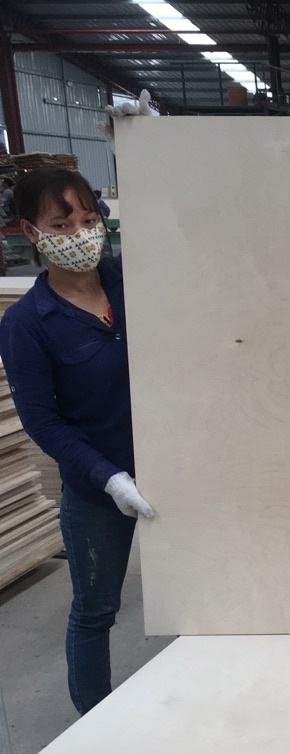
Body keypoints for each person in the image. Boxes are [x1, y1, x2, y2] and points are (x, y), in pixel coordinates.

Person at [0, 168, 154, 715]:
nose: (80, 234)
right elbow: (43, 421)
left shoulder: (130, 279)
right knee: (95, 610)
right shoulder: (28, 323)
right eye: (62, 224)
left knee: (198, 587)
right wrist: (109, 478)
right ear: (31, 231)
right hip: (99, 487)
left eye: (89, 220)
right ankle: (96, 719)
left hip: (174, 464)